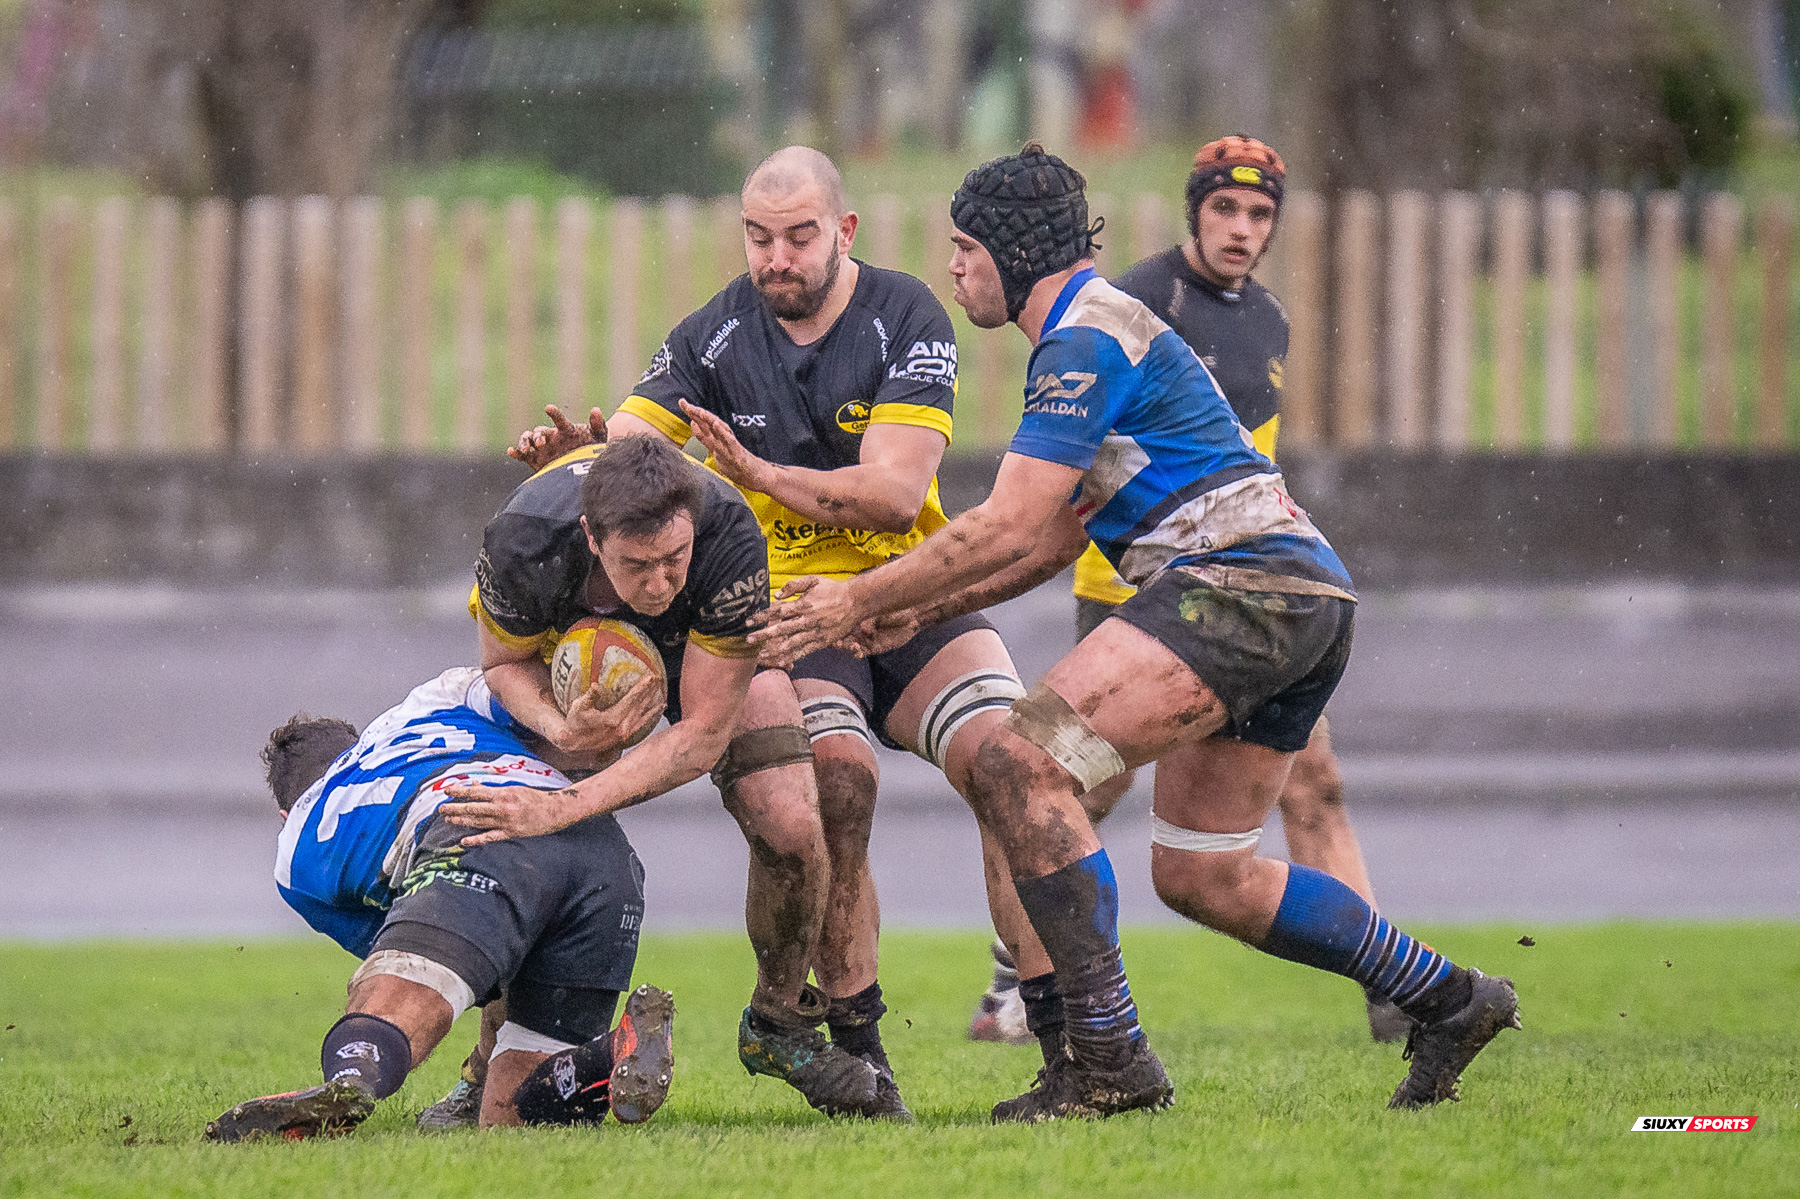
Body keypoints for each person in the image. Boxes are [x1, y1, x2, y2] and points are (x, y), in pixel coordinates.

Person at [755, 144, 1521, 1119]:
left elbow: (1003, 520)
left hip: (1237, 590)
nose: (953, 270)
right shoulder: (1105, 329)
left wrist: (853, 602)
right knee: (1207, 871)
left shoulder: (1081, 339)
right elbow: (1058, 530)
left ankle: (1106, 1057)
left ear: (1008, 251)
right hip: (1304, 598)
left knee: (1016, 762)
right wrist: (926, 605)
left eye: (962, 249)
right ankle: (1450, 997)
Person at [511, 146, 1030, 1121]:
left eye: (798, 236)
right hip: (792, 610)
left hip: (906, 585)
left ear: (845, 231)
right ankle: (860, 1041)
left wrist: (753, 467)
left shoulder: (904, 313)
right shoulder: (712, 335)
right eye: (758, 237)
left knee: (1014, 755)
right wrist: (577, 456)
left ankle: (1081, 1035)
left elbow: (894, 496)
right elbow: (629, 448)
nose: (776, 257)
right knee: (840, 779)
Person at [970, 135, 1406, 1048]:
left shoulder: (1270, 319)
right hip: (1143, 588)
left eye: (1260, 215)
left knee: (1309, 785)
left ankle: (1398, 991)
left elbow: (1241, 454)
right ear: (1193, 210)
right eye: (1225, 209)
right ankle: (1020, 987)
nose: (1242, 229)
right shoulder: (1131, 302)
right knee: (1066, 780)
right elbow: (1071, 484)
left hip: (1244, 582)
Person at [454, 425, 888, 1120]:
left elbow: (703, 733)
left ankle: (777, 1020)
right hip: (571, 674)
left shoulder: (726, 531)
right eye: (637, 564)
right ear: (593, 538)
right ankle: (486, 1066)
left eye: (673, 558)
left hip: (704, 656)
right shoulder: (524, 536)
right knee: (522, 844)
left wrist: (568, 804)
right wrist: (561, 728)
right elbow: (504, 664)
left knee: (791, 815)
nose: (658, 582)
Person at [206, 667, 676, 1141]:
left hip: (480, 833)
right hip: (601, 850)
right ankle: (609, 1054)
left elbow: (411, 947)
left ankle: (350, 1083)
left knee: (395, 992)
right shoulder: (429, 703)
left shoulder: (295, 844)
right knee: (510, 1118)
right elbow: (531, 697)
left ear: (285, 812)